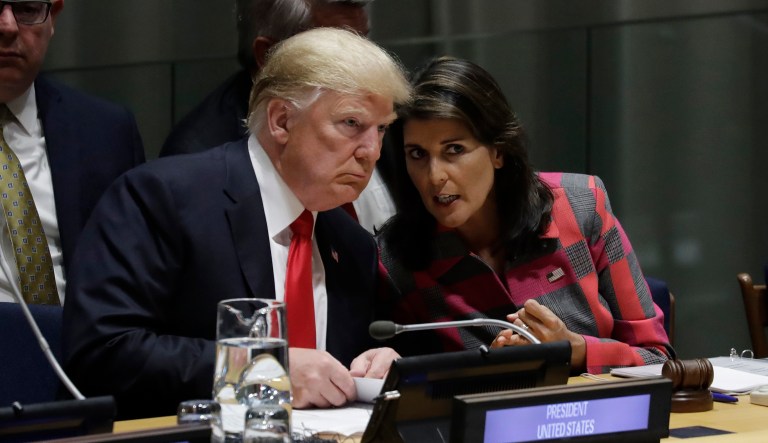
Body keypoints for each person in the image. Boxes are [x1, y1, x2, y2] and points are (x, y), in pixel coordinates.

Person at [62, 27, 411, 419]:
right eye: (351, 123)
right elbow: (103, 351)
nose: (373, 151)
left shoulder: (352, 244)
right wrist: (264, 370)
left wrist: (375, 364)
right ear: (281, 120)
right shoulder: (163, 198)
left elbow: (326, 374)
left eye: (381, 129)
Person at [376, 56, 674, 374]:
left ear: (498, 151)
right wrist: (493, 370)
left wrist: (572, 350)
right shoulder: (396, 257)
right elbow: (411, 382)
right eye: (417, 154)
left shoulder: (581, 204)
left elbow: (658, 359)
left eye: (454, 150)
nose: (434, 176)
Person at [161, 0, 397, 233]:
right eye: (340, 52)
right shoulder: (199, 160)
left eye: (365, 43)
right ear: (269, 55)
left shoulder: (385, 111)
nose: (364, 66)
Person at [0, 0, 144, 305]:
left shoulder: (107, 132)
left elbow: (138, 284)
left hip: (82, 345)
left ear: (53, 17)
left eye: (26, 9)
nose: (8, 26)